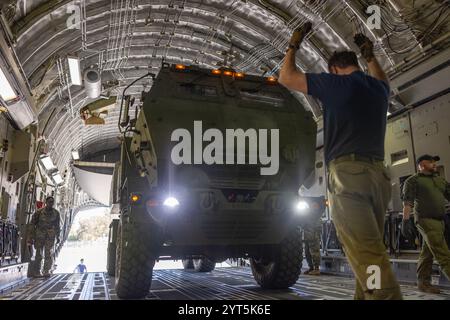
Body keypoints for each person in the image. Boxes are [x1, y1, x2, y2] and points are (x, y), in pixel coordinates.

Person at [278, 22, 402, 299]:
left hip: (349, 178)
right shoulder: (378, 89)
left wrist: (293, 44)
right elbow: (383, 80)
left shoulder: (334, 83)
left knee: (368, 256)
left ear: (334, 69)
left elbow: (286, 77)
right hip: (378, 178)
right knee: (368, 249)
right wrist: (371, 57)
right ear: (358, 64)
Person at [402, 154, 450, 294]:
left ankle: (423, 283)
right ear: (422, 165)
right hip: (426, 220)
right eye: (431, 162)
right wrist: (405, 221)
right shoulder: (413, 181)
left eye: (435, 161)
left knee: (427, 253)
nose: (434, 164)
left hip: (440, 221)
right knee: (443, 254)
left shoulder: (440, 180)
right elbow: (407, 202)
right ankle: (424, 282)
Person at [31, 196, 61, 277]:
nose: (51, 204)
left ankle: (46, 270)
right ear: (46, 202)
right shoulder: (39, 212)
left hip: (50, 235)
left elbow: (57, 226)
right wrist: (31, 236)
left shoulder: (56, 213)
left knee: (48, 253)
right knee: (38, 253)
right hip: (40, 234)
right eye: (49, 202)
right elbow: (33, 224)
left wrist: (58, 237)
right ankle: (37, 271)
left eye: (52, 202)